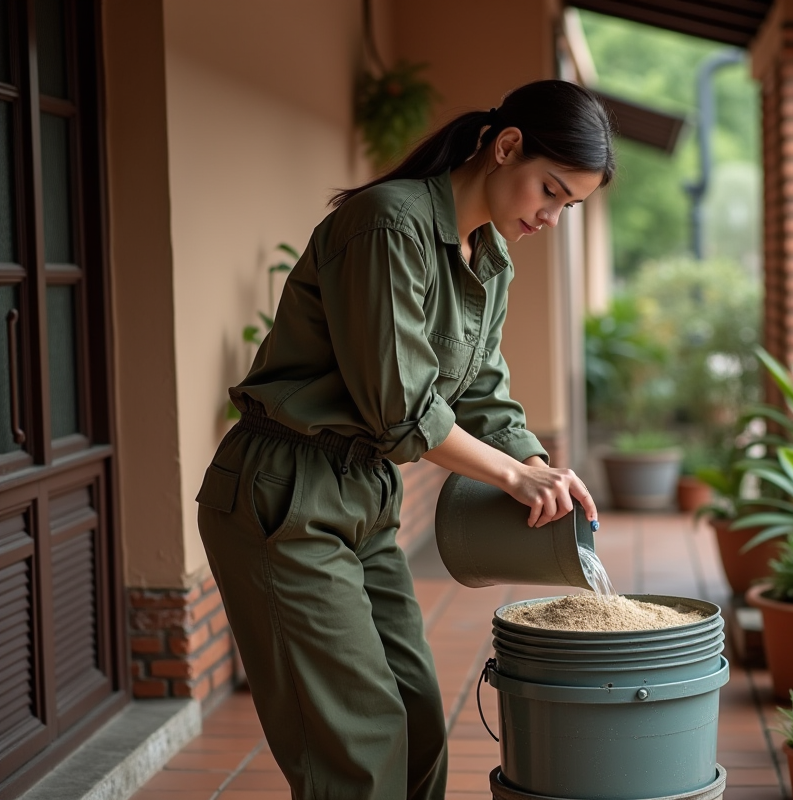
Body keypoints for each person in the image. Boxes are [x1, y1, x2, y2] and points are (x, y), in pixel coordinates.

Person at [194, 79, 613, 800]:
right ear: (506, 146)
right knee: (357, 744)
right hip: (285, 495)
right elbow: (400, 410)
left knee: (418, 722)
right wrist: (514, 481)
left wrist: (540, 464)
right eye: (549, 191)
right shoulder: (388, 225)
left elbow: (481, 388)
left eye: (567, 206)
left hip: (366, 496)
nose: (550, 217)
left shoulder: (488, 258)